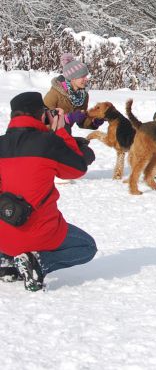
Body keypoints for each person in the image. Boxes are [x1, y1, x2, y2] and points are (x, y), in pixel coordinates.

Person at [0, 92, 97, 292]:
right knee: (87, 246)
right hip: (40, 231)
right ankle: (37, 263)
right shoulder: (47, 143)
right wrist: (61, 132)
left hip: (4, 233)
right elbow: (77, 169)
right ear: (42, 115)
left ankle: (7, 260)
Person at [43, 53, 103, 135]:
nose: (86, 79)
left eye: (86, 76)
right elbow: (44, 122)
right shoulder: (54, 94)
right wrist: (67, 118)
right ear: (72, 78)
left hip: (65, 134)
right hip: (49, 137)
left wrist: (93, 122)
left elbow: (81, 121)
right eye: (82, 76)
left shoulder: (83, 96)